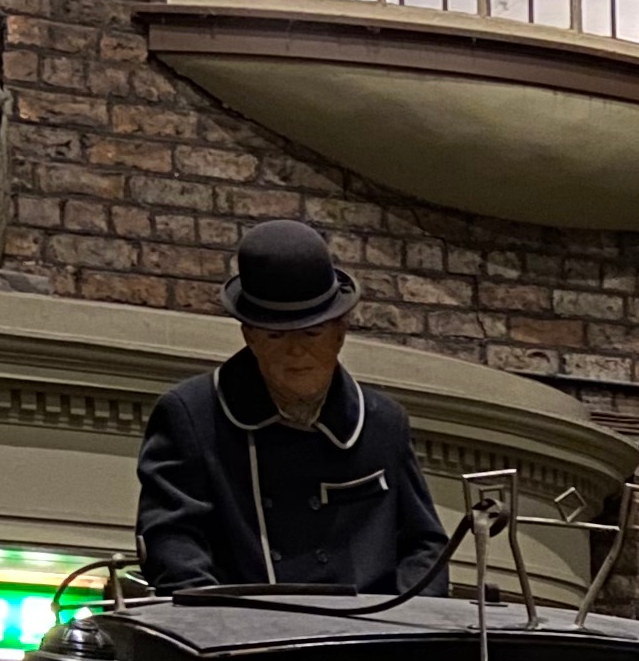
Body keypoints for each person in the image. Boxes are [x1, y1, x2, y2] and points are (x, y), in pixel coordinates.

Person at [135, 216, 447, 597]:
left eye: (312, 333)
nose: (296, 351)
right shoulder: (191, 416)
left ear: (340, 332)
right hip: (242, 627)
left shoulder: (383, 424)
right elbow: (172, 542)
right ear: (249, 336)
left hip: (366, 629)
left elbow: (425, 547)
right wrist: (220, 620)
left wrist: (408, 619)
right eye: (276, 335)